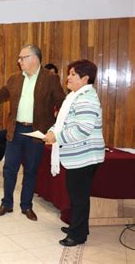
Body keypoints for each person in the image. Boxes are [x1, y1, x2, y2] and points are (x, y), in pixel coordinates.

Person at [0, 44, 66, 221]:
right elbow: (0, 94)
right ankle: (7, 204)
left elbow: (62, 104)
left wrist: (53, 128)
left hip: (37, 132)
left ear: (34, 58)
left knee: (31, 170)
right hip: (16, 129)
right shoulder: (14, 78)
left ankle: (26, 206)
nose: (19, 61)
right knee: (9, 168)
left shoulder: (50, 78)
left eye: (22, 58)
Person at [43, 60, 104, 247]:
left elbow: (81, 130)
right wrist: (51, 131)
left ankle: (77, 235)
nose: (67, 77)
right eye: (68, 73)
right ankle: (78, 228)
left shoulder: (86, 99)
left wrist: (56, 137)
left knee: (79, 197)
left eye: (72, 74)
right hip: (79, 156)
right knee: (77, 195)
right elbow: (64, 122)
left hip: (85, 156)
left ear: (85, 79)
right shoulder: (75, 97)